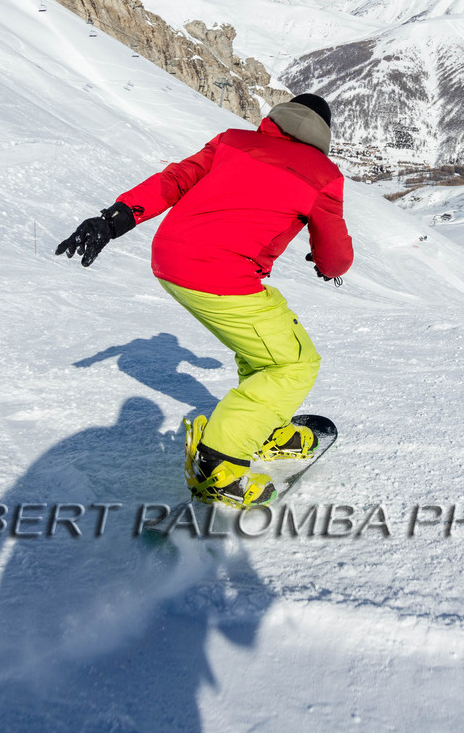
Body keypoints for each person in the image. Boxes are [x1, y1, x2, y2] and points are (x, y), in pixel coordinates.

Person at [55, 93, 353, 508]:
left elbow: (173, 180)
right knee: (294, 363)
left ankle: (262, 426)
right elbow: (336, 254)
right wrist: (330, 266)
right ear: (323, 133)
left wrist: (116, 217)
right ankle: (220, 463)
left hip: (170, 259)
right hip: (221, 273)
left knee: (263, 346)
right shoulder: (324, 175)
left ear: (277, 119)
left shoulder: (232, 141)